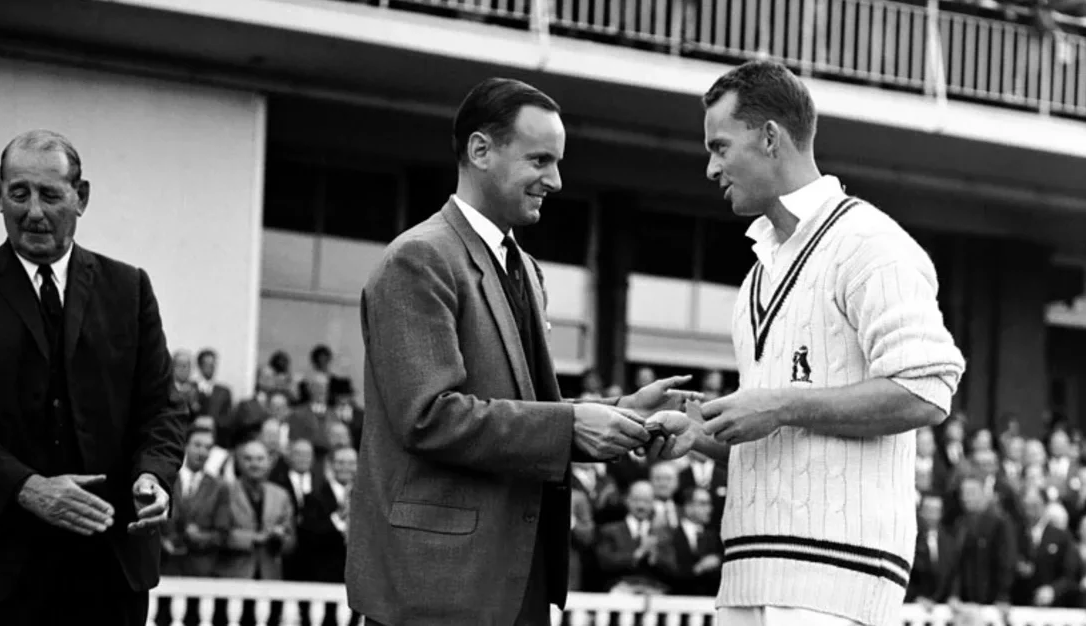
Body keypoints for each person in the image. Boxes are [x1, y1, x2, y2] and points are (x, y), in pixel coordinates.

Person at [347, 76, 697, 626]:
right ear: (480, 150)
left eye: (556, 163)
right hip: (439, 589)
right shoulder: (418, 259)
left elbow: (522, 406)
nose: (555, 181)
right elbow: (429, 417)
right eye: (540, 160)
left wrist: (620, 414)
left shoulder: (526, 270)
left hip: (516, 582)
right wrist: (571, 426)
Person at [654, 60, 966, 626]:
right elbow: (776, 431)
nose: (710, 167)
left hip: (839, 578)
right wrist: (701, 434)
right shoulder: (756, 276)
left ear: (770, 137)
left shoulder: (871, 244)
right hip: (748, 569)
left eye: (720, 146)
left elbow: (928, 388)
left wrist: (779, 405)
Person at [0, 129, 189, 626]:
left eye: (50, 194)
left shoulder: (129, 289)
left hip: (107, 570)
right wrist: (28, 487)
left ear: (81, 198)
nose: (33, 211)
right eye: (19, 193)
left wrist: (153, 475)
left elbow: (162, 407)